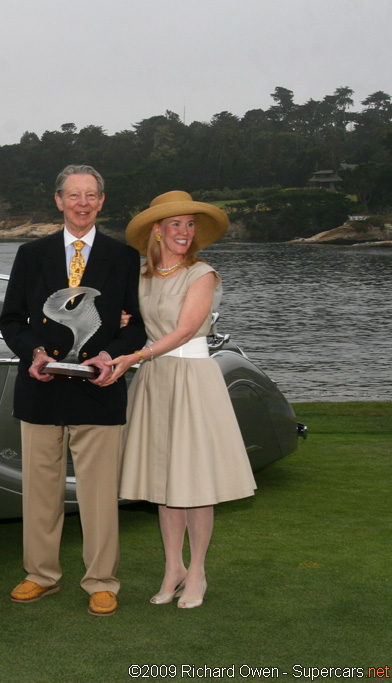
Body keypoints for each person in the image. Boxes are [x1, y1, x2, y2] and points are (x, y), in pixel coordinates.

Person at [0, 164, 146, 617]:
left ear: (101, 201)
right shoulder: (31, 253)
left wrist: (112, 358)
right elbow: (11, 320)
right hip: (41, 388)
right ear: (59, 200)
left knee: (99, 494)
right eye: (73, 195)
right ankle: (40, 575)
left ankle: (102, 580)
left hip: (99, 388)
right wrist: (34, 355)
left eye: (90, 195)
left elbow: (136, 326)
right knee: (40, 492)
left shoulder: (124, 257)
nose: (82, 203)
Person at [105, 191, 257, 609]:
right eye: (176, 224)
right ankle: (174, 568)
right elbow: (130, 323)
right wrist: (119, 325)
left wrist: (136, 355)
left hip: (191, 379)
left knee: (194, 482)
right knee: (165, 483)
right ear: (158, 229)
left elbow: (187, 329)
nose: (184, 233)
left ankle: (199, 572)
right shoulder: (140, 277)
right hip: (155, 380)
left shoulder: (202, 274)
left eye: (190, 225)